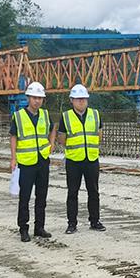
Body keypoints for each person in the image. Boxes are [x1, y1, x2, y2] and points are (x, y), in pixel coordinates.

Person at [10, 81, 56, 242]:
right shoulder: (18, 116)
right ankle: (23, 229)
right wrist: (13, 158)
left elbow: (52, 128)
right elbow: (13, 137)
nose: (37, 101)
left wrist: (51, 143)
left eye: (40, 98)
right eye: (34, 98)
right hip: (26, 162)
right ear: (28, 98)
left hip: (42, 160)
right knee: (24, 197)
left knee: (41, 196)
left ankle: (39, 227)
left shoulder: (45, 114)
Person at [57, 84, 105, 234]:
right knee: (72, 193)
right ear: (71, 100)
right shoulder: (66, 117)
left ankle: (95, 221)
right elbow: (62, 139)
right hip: (74, 161)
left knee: (94, 192)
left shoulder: (95, 114)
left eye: (83, 98)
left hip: (91, 159)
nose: (81, 101)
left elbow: (99, 135)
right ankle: (72, 223)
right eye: (78, 99)